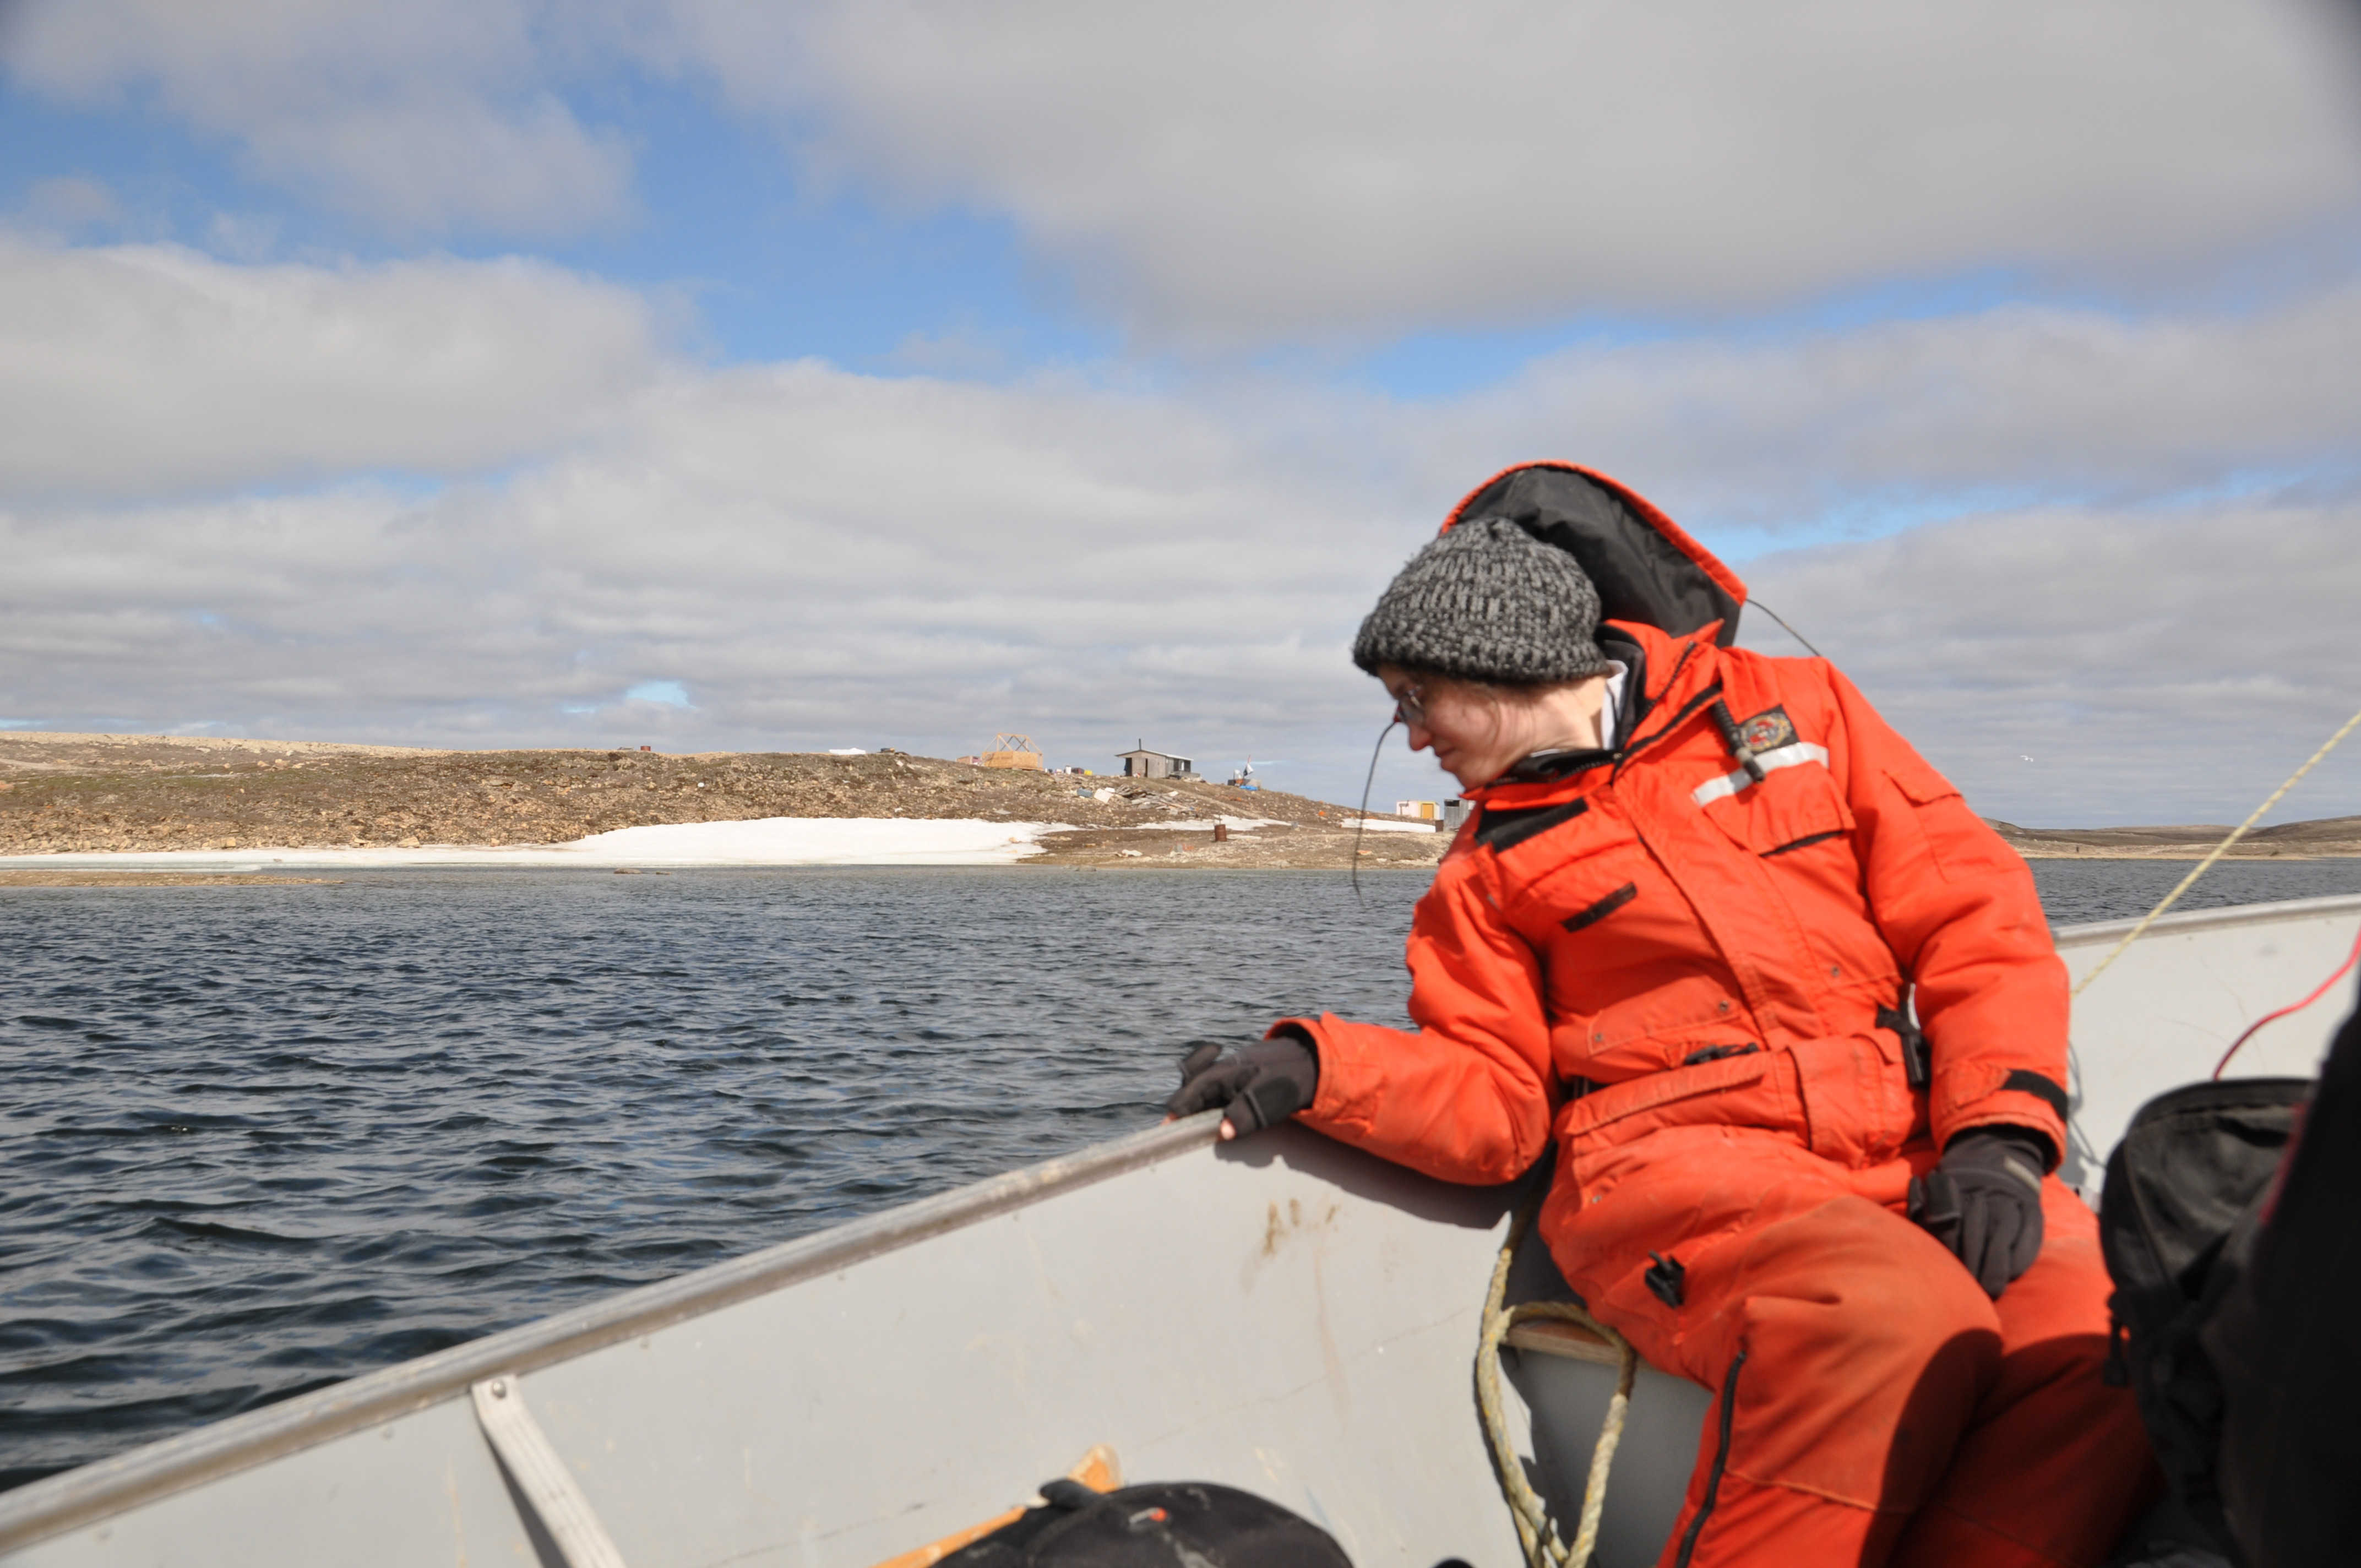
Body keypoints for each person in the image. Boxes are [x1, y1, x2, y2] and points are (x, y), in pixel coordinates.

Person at [1169, 463, 2158, 1568]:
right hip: (1674, 1173)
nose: (1409, 738)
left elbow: (1973, 916)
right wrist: (1317, 1068)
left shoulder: (1803, 710)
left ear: (1500, 668)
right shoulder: (1482, 873)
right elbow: (1493, 1103)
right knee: (1882, 1315)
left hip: (1905, 1140)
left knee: (2108, 1320)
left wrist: (1997, 1140)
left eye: (1414, 699)